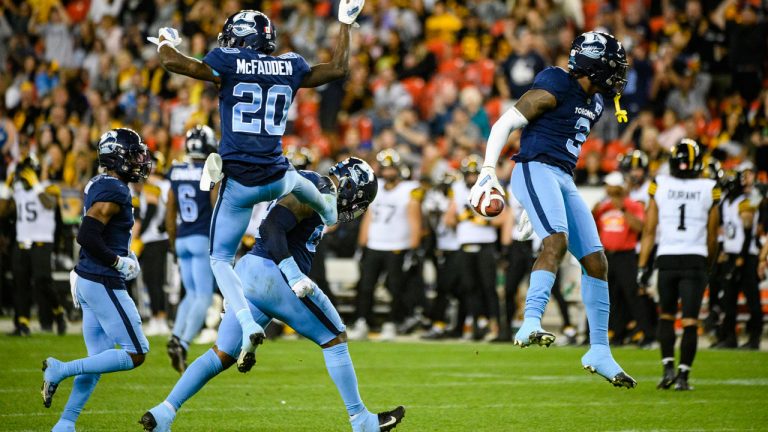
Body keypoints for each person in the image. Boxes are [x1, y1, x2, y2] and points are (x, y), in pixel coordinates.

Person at [147, 3, 364, 367]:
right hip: (278, 176)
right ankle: (328, 210)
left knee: (220, 258)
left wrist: (166, 42)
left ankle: (246, 322)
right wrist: (344, 23)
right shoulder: (290, 64)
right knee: (303, 183)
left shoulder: (229, 61)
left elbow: (174, 64)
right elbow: (339, 68)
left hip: (241, 182)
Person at [140, 158, 406, 432]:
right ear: (352, 187)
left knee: (221, 354)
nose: (357, 207)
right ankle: (361, 421)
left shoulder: (315, 185)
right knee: (335, 337)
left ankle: (164, 412)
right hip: (274, 274)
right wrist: (292, 273)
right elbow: (270, 228)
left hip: (250, 273)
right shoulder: (317, 186)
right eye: (360, 200)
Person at [469, 31, 636, 388]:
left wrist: (534, 203)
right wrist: (487, 171)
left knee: (596, 261)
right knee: (556, 241)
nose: (618, 75)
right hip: (534, 168)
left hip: (562, 178)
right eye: (613, 67)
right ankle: (530, 320)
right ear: (593, 64)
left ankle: (599, 351)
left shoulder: (595, 102)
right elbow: (507, 122)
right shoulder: (557, 83)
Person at [40, 128, 151, 431]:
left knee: (99, 360)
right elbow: (87, 234)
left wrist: (122, 253)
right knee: (136, 352)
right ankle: (60, 369)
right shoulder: (116, 190)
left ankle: (65, 423)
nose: (139, 160)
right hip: (102, 279)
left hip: (89, 278)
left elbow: (100, 232)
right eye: (133, 154)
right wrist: (117, 261)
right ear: (115, 157)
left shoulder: (100, 182)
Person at [638, 139, 720, 391]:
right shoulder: (710, 187)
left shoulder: (660, 184)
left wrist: (643, 266)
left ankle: (667, 370)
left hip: (667, 257)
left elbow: (650, 230)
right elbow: (712, 233)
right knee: (690, 321)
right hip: (695, 257)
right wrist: (709, 263)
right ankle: (683, 376)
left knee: (666, 316)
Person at [349, 149, 422, 341]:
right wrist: (361, 244)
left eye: (391, 168)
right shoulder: (375, 187)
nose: (388, 172)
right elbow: (369, 217)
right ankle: (362, 322)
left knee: (395, 288)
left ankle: (391, 324)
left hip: (397, 245)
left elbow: (415, 220)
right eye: (385, 168)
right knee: (365, 286)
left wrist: (414, 247)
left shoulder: (410, 189)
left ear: (398, 169)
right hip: (374, 244)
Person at [165, 125, 219, 373]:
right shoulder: (208, 169)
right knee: (204, 296)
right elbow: (214, 203)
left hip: (182, 237)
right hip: (200, 237)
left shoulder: (175, 170)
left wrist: (172, 241)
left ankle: (176, 336)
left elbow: (170, 210)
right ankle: (183, 344)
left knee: (191, 294)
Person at [0, 154, 65, 336]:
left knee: (42, 280)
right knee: (20, 283)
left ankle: (58, 312)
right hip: (22, 241)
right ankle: (23, 324)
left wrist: (36, 185)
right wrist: (7, 187)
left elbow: (49, 205)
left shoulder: (49, 188)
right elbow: (2, 212)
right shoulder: (18, 190)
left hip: (42, 241)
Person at [448, 155, 505, 340]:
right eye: (469, 173)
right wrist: (461, 218)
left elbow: (503, 219)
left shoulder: (491, 188)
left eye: (475, 173)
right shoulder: (456, 189)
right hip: (464, 244)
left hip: (485, 244)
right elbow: (448, 219)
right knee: (469, 287)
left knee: (488, 287)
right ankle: (477, 324)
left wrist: (483, 220)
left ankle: (495, 325)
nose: (472, 177)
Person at [593, 172, 651, 346]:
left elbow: (640, 227)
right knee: (611, 296)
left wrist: (623, 209)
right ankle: (617, 333)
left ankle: (647, 333)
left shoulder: (632, 205)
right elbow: (592, 227)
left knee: (633, 295)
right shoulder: (603, 207)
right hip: (607, 255)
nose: (608, 189)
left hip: (626, 255)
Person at [714, 169, 763, 349]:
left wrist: (741, 256)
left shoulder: (745, 202)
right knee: (729, 299)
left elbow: (748, 232)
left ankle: (755, 338)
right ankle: (729, 337)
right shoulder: (727, 202)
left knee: (752, 298)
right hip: (731, 254)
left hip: (746, 255)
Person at [135, 152, 171, 336]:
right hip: (160, 237)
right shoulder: (165, 184)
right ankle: (159, 317)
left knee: (153, 280)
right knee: (156, 280)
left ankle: (159, 318)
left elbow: (151, 208)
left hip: (154, 238)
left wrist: (139, 234)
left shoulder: (154, 184)